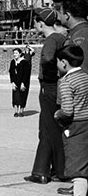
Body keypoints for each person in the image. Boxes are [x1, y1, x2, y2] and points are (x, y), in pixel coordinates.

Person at [24, 7, 68, 185]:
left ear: (41, 23)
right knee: (51, 128)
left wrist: (49, 79)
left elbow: (48, 59)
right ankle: (52, 169)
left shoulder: (51, 40)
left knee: (48, 128)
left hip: (49, 88)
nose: (35, 26)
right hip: (56, 88)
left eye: (35, 23)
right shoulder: (62, 38)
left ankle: (45, 171)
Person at [54, 45, 88, 196]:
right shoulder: (85, 76)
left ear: (64, 62)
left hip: (75, 127)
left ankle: (79, 192)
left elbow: (67, 110)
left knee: (77, 168)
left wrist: (57, 114)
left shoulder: (66, 82)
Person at [9, 48, 31, 117]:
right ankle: (16, 111)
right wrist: (12, 82)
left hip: (23, 82)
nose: (15, 54)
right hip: (15, 81)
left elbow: (26, 74)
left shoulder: (24, 62)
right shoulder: (13, 62)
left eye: (16, 53)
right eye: (14, 53)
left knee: (22, 95)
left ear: (20, 54)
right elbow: (11, 72)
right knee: (15, 96)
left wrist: (23, 83)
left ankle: (21, 111)